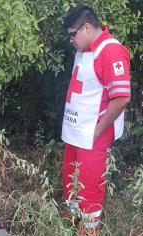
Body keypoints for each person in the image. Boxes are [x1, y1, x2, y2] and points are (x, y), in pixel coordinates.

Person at [61, 5, 131, 234]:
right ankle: (71, 222)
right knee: (71, 178)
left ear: (87, 27)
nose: (71, 40)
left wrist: (98, 131)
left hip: (92, 134)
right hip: (75, 131)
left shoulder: (110, 51)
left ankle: (88, 231)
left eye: (73, 34)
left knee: (90, 186)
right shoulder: (86, 49)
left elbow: (121, 98)